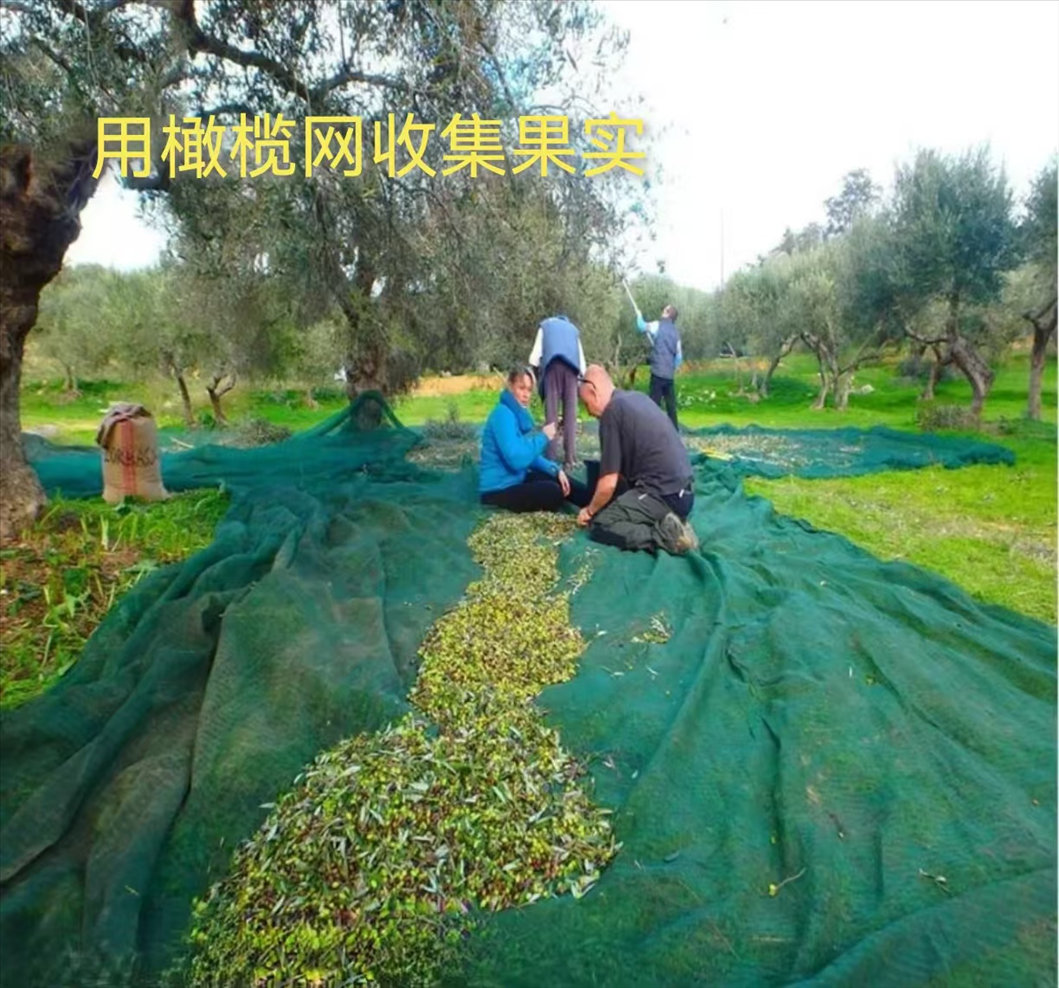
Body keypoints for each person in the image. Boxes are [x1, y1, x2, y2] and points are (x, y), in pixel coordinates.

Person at [575, 364, 698, 555]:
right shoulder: (636, 398)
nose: (588, 411)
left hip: (664, 493)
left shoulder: (611, 412)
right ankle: (671, 520)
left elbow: (608, 483)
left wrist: (589, 511)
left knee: (602, 524)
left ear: (594, 391)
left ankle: (668, 537)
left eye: (585, 403)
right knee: (601, 479)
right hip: (685, 490)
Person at [479, 365, 591, 514]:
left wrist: (555, 470)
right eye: (521, 388)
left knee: (558, 479)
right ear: (511, 387)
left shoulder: (515, 415)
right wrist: (543, 437)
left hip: (517, 480)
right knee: (553, 492)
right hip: (497, 491)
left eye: (529, 389)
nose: (526, 394)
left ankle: (594, 503)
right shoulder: (502, 415)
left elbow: (528, 456)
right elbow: (516, 459)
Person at [528, 315, 587, 469]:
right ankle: (570, 458)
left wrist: (537, 378)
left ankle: (551, 458)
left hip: (552, 368)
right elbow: (582, 364)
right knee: (570, 416)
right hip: (572, 371)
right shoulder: (574, 330)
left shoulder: (545, 326)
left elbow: (534, 359)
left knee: (551, 416)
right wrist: (579, 383)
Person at [636, 303, 683, 431]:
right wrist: (672, 367)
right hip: (669, 376)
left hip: (657, 373)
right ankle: (674, 432)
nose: (662, 311)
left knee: (653, 405)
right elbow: (679, 357)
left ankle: (650, 431)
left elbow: (641, 326)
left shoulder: (657, 325)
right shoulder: (676, 334)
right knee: (671, 406)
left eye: (665, 310)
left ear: (667, 313)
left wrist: (639, 315)